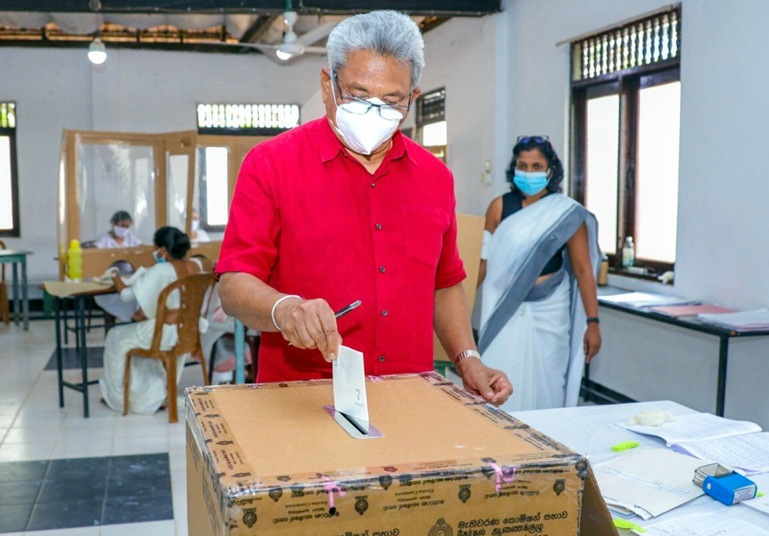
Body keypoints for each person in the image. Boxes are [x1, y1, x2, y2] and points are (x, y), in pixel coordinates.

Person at [217, 10, 512, 405]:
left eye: (391, 100)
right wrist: (284, 309)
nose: (374, 112)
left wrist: (469, 359)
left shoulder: (435, 178)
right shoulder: (271, 164)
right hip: (302, 397)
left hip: (409, 395)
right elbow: (233, 285)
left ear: (412, 98)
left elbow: (444, 284)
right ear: (327, 85)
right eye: (357, 96)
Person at [476, 136, 602, 411]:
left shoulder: (565, 212)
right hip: (504, 307)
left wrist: (593, 322)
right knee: (498, 373)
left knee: (548, 377)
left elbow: (583, 270)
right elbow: (482, 262)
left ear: (550, 170)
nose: (529, 172)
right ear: (514, 168)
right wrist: (457, 306)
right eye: (523, 165)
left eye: (536, 166)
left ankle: (548, 441)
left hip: (550, 310)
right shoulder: (499, 207)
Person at [100, 226, 204, 414]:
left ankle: (118, 398)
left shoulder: (161, 270)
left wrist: (114, 275)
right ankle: (155, 393)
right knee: (137, 336)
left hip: (164, 334)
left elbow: (125, 294)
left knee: (115, 337)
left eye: (156, 248)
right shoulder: (196, 265)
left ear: (163, 250)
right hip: (189, 331)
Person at [93, 211, 143, 323]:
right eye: (121, 225)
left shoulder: (130, 238)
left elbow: (142, 249)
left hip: (129, 281)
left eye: (126, 226)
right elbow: (94, 256)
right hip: (110, 284)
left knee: (138, 296)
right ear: (114, 223)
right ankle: (131, 319)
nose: (124, 229)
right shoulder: (104, 239)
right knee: (121, 299)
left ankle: (136, 319)